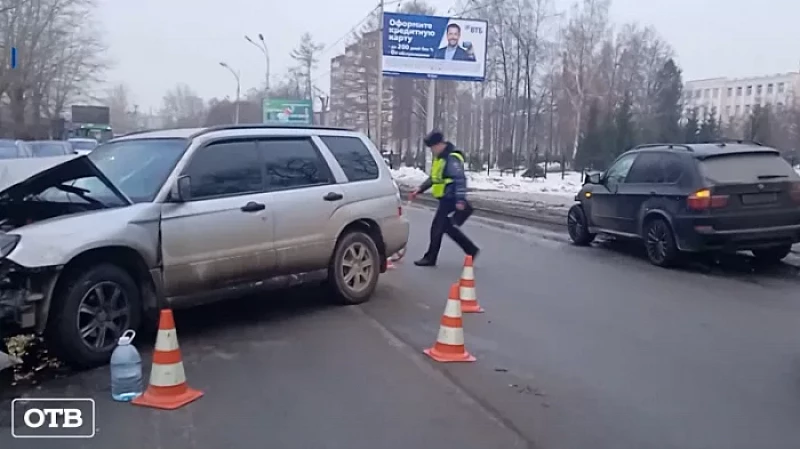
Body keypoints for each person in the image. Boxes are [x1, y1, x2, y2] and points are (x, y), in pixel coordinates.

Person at [410, 131, 479, 267]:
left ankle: (430, 258)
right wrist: (420, 188)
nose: (432, 151)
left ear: (440, 144)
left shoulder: (451, 158)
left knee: (437, 227)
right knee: (446, 227)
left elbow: (459, 179)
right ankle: (471, 250)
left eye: (433, 147)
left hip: (451, 198)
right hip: (446, 199)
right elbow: (435, 178)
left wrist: (460, 200)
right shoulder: (440, 158)